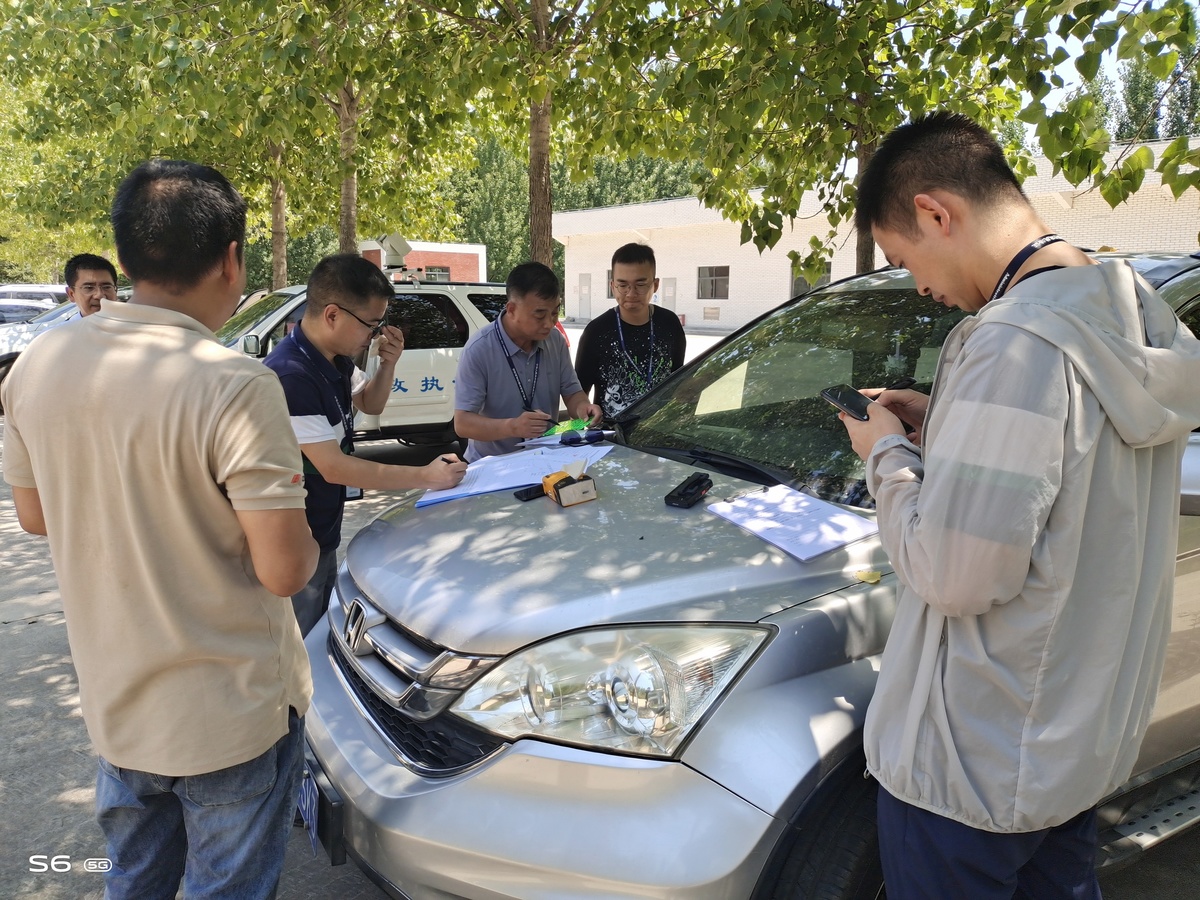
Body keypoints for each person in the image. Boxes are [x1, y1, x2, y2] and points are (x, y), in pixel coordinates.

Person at [838, 110, 1200, 900]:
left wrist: (886, 453)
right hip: (1068, 756)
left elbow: (958, 573)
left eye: (907, 259)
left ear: (937, 212)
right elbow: (1073, 479)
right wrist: (945, 422)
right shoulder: (1130, 314)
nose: (922, 288)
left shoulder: (1014, 342)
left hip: (970, 769)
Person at [2, 160, 319, 900]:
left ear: (128, 255)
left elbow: (34, 515)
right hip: (230, 720)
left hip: (118, 706)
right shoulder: (235, 382)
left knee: (134, 882)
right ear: (231, 257)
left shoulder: (37, 365)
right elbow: (284, 571)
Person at [264, 253, 467, 636]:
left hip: (322, 528)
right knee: (301, 641)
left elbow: (370, 403)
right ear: (332, 315)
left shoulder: (333, 358)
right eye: (371, 325)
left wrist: (387, 364)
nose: (375, 334)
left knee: (319, 627)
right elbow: (335, 467)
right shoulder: (292, 375)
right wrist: (425, 475)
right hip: (296, 542)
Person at [454, 261, 601, 461]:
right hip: (493, 467)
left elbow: (572, 392)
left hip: (545, 460)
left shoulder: (555, 340)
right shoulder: (479, 350)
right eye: (540, 315)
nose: (549, 323)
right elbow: (463, 424)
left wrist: (584, 407)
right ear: (512, 309)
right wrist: (513, 427)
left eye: (555, 312)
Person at [574, 242, 685, 418]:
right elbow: (578, 395)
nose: (631, 293)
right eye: (623, 285)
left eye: (640, 284)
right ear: (612, 286)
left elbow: (677, 381)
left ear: (655, 285)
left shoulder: (670, 324)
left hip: (660, 433)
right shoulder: (596, 331)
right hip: (611, 438)